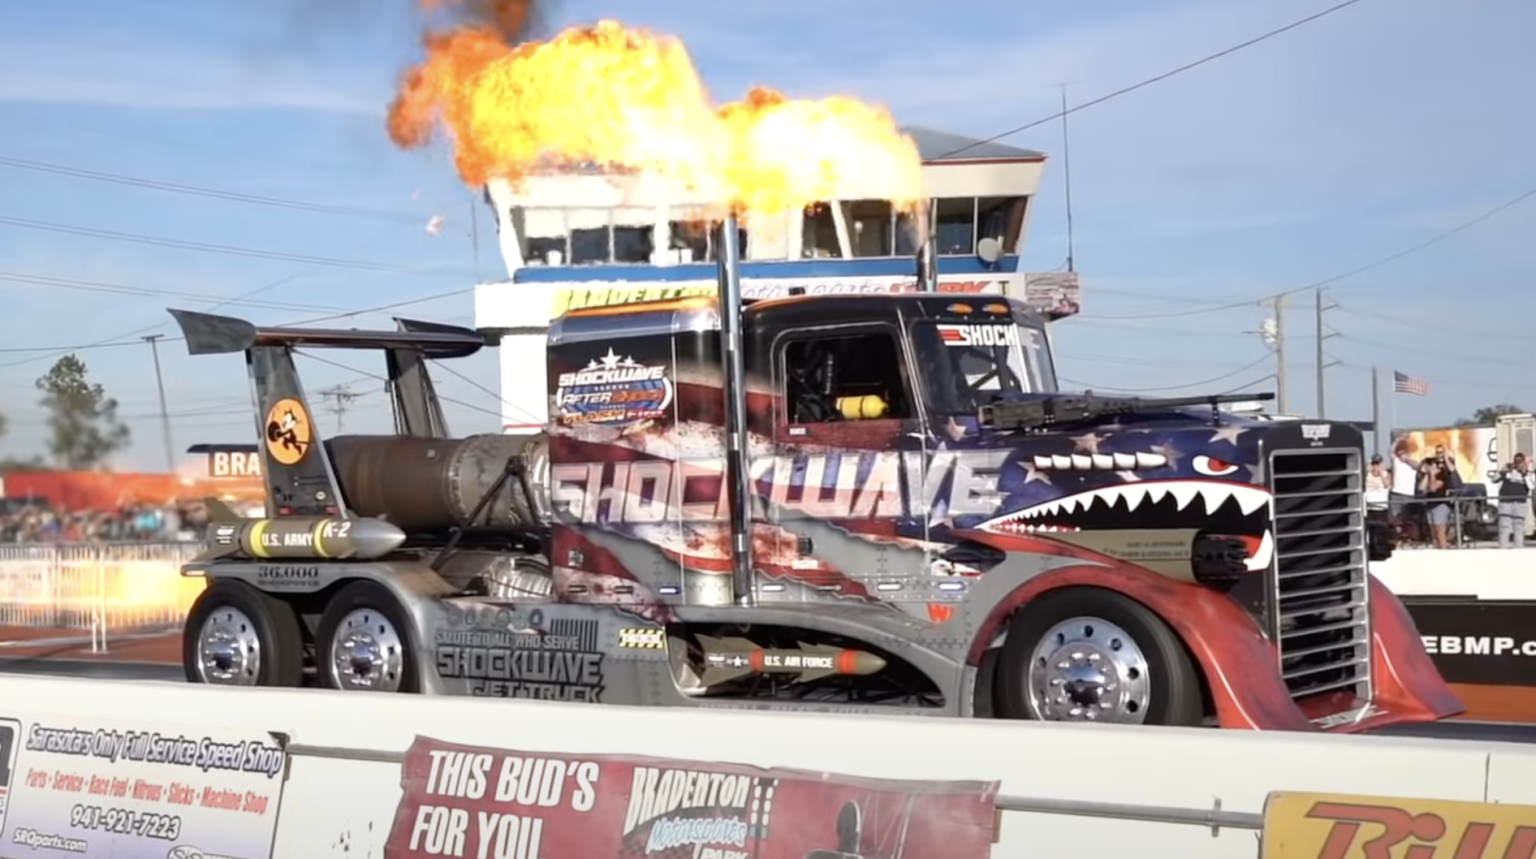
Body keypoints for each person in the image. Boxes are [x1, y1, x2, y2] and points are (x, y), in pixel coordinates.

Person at [1417, 445, 1457, 548]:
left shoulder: (1443, 474)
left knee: (1440, 533)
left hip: (1441, 504)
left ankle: (1443, 552)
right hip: (1430, 504)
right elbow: (1421, 488)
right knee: (1433, 534)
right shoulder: (1432, 474)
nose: (1438, 465)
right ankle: (1437, 552)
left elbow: (1432, 488)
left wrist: (1431, 475)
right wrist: (1427, 474)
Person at [1494, 453, 1535, 549]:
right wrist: (1503, 471)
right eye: (1516, 462)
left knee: (1518, 528)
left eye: (1520, 462)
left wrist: (1524, 474)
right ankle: (1503, 549)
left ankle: (1518, 550)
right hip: (1505, 503)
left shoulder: (1529, 474)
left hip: (1520, 503)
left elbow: (1531, 487)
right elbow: (1494, 479)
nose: (1518, 464)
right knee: (1504, 527)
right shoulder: (1508, 471)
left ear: (1524, 462)